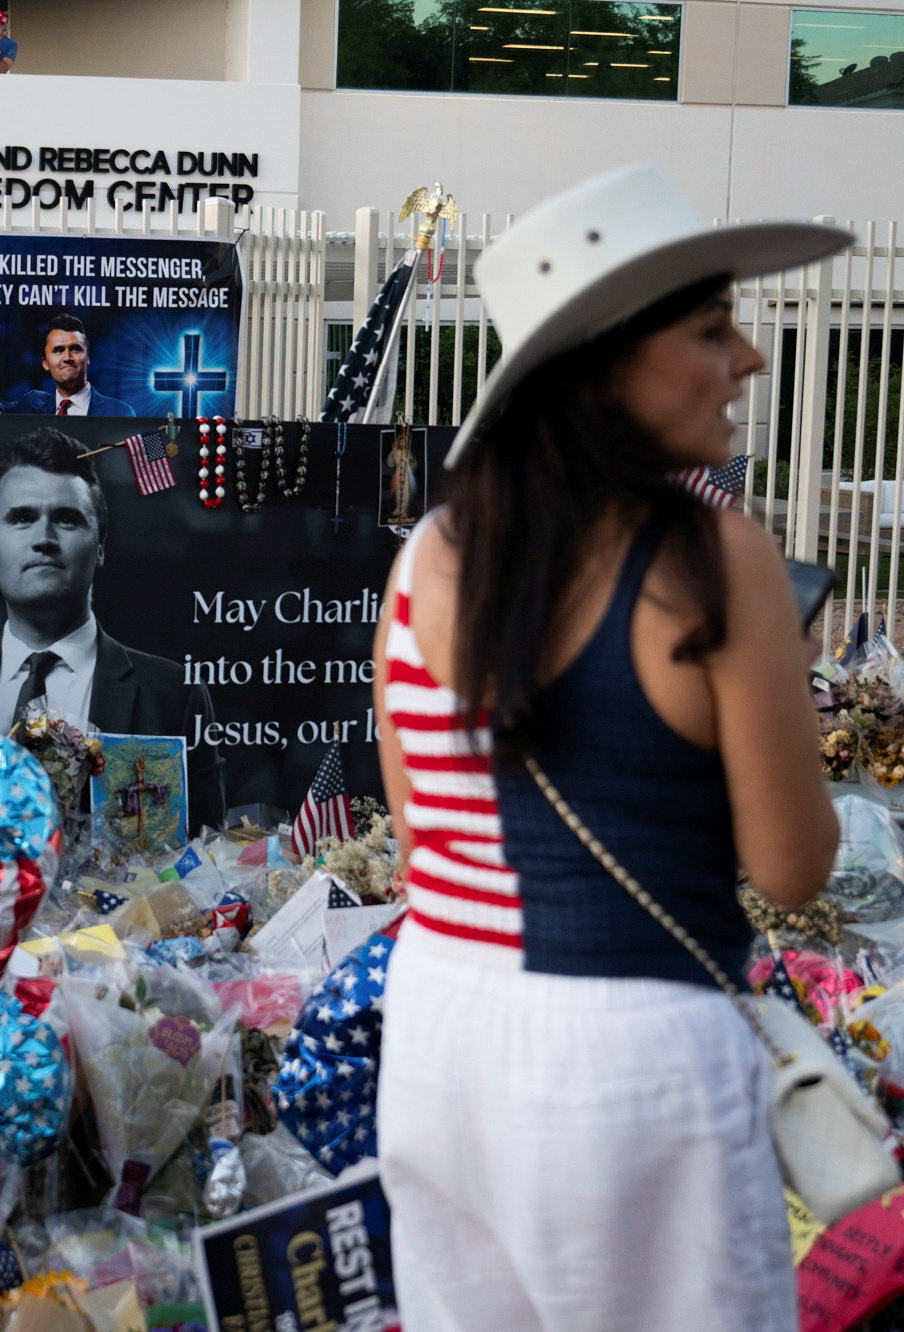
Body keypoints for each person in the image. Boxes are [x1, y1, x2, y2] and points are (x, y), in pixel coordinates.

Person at [371, 164, 847, 1331]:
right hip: (631, 1055)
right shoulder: (711, 558)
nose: (747, 358)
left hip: (434, 1036)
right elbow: (794, 869)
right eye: (708, 327)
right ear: (605, 360)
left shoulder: (426, 551)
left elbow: (423, 834)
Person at [0, 427, 223, 831]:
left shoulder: (174, 697)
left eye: (67, 519)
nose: (44, 539)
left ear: (101, 546)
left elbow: (204, 853)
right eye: (21, 518)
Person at [0, 312, 136, 416]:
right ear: (45, 363)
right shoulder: (31, 405)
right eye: (58, 350)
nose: (67, 356)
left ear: (88, 357)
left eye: (75, 348)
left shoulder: (119, 412)